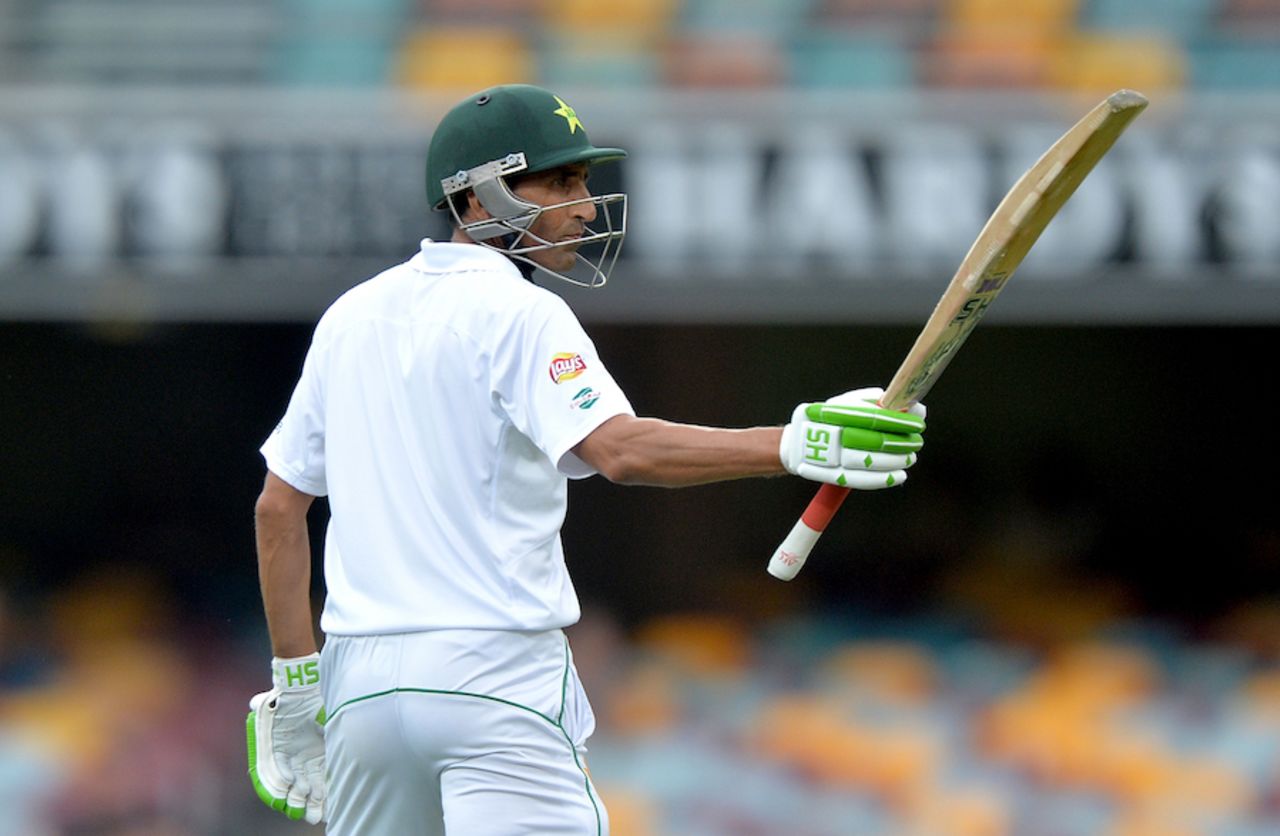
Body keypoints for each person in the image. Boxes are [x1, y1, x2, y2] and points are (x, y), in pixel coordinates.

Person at [245, 83, 926, 835]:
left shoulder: (349, 316)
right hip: (492, 676)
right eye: (561, 182)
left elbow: (279, 508)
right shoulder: (523, 310)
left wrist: (297, 685)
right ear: (474, 198)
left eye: (583, 182)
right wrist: (796, 444)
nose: (587, 207)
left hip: (362, 691)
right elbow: (621, 451)